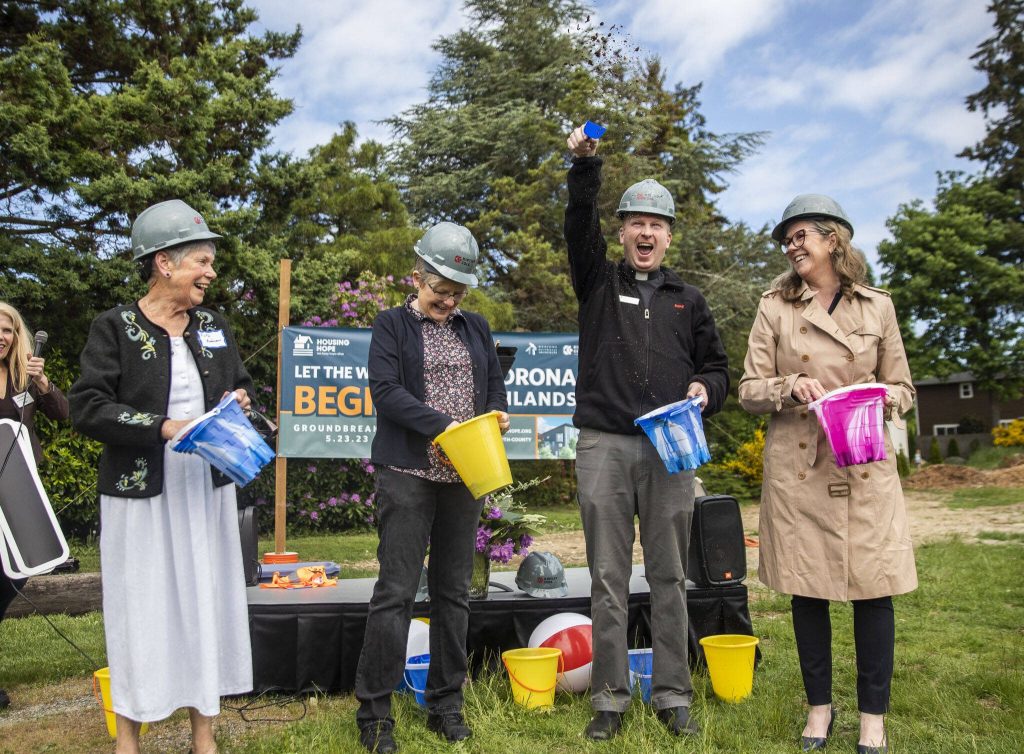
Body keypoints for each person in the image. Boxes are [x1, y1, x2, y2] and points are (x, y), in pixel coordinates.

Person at [69, 200, 253, 754]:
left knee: (206, 599)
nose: (211, 272)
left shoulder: (214, 327)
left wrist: (237, 400)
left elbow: (238, 383)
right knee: (140, 605)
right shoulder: (115, 328)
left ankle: (204, 736)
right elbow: (88, 407)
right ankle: (128, 738)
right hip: (140, 494)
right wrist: (164, 426)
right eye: (201, 260)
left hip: (204, 489)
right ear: (164, 264)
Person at [564, 124, 729, 740]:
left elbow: (718, 368)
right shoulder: (597, 283)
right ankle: (608, 700)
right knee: (607, 577)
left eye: (656, 224)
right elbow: (579, 226)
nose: (645, 232)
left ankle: (671, 694)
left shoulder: (690, 300)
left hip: (671, 449)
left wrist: (704, 391)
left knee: (668, 576)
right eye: (635, 221)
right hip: (603, 445)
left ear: (667, 236)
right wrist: (585, 166)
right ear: (625, 230)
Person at [738, 194, 917, 754]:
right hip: (800, 468)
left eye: (801, 236)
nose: (792, 247)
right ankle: (819, 710)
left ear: (833, 240)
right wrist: (789, 386)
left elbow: (905, 390)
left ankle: (872, 719)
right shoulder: (775, 307)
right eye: (786, 240)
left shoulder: (877, 307)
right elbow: (748, 389)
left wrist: (883, 395)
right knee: (806, 592)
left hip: (864, 465)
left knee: (874, 592)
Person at [353, 222, 509, 754]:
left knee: (453, 592)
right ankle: (375, 714)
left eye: (456, 293)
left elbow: (492, 382)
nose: (447, 301)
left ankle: (446, 703)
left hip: (465, 474)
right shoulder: (391, 324)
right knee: (395, 592)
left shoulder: (477, 327)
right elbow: (385, 391)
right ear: (417, 277)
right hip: (408, 473)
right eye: (439, 291)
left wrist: (496, 413)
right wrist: (440, 423)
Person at [0, 302, 69, 710]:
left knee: (15, 576)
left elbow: (64, 414)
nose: (2, 336)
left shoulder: (24, 377)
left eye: (8, 330)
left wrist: (42, 384)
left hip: (19, 489)